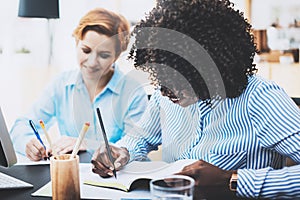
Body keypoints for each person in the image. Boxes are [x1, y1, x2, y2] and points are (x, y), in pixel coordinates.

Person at [91, 0, 300, 199]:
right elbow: (141, 138)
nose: (167, 91)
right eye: (162, 78)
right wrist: (121, 151)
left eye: (182, 80)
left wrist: (233, 180)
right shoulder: (164, 96)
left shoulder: (262, 99)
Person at [10, 8, 148, 161]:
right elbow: (21, 127)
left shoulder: (133, 92)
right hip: (75, 174)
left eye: (104, 55)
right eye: (86, 50)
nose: (92, 62)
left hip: (117, 178)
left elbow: (135, 146)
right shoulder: (61, 84)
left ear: (116, 56)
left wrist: (88, 144)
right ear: (77, 43)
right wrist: (29, 144)